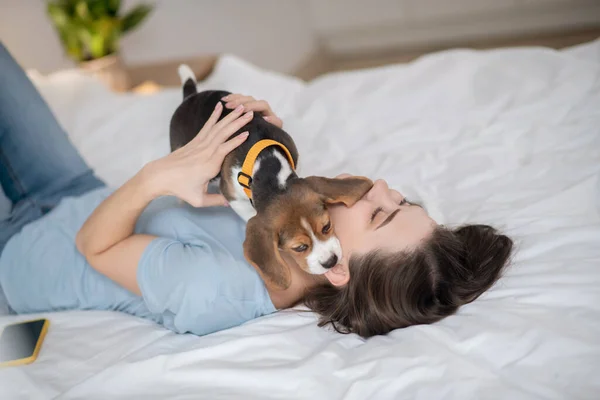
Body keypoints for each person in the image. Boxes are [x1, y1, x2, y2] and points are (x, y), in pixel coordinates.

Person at [0, 43, 513, 338]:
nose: (378, 187)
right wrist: (247, 147)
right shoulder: (298, 222)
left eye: (379, 215)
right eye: (400, 199)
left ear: (337, 269)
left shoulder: (214, 289)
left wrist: (156, 175)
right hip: (75, 189)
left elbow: (93, 246)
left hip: (22, 253)